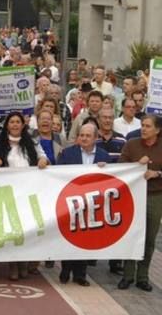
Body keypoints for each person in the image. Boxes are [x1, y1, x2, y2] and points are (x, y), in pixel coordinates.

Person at [0, 112, 48, 280]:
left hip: (28, 193)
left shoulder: (31, 142)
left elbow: (43, 156)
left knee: (26, 230)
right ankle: (13, 265)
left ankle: (24, 263)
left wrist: (42, 161)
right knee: (12, 230)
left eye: (18, 122)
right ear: (7, 125)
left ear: (23, 125)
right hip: (8, 193)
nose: (15, 125)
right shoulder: (0, 144)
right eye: (12, 122)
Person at [57, 123, 111, 287]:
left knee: (85, 238)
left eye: (88, 136)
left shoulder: (104, 156)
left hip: (92, 203)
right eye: (82, 135)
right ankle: (65, 270)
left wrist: (106, 169)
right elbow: (57, 175)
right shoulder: (67, 153)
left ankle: (80, 274)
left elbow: (109, 180)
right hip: (70, 201)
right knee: (69, 236)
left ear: (96, 138)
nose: (84, 138)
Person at [118, 115, 162, 292]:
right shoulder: (131, 144)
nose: (143, 129)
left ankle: (143, 277)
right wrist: (137, 165)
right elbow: (120, 168)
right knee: (132, 234)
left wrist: (157, 174)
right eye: (143, 125)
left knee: (149, 238)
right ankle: (127, 275)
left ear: (157, 130)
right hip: (133, 195)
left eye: (148, 126)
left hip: (155, 195)